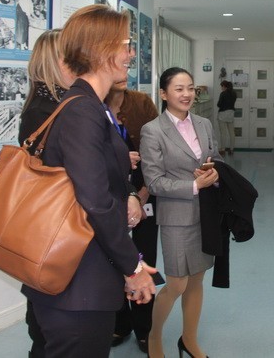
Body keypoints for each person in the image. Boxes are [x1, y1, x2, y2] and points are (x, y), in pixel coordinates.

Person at [21, 6, 157, 358]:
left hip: (82, 278)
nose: (131, 54)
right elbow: (95, 201)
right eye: (125, 45)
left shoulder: (92, 106)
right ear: (99, 50)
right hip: (76, 283)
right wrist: (133, 266)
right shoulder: (83, 109)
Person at [140, 67, 222, 358]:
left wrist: (214, 173)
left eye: (190, 88)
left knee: (197, 280)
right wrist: (194, 185)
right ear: (164, 94)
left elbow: (216, 158)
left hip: (206, 214)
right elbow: (154, 181)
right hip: (176, 217)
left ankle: (189, 340)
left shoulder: (204, 124)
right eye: (179, 89)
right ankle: (154, 337)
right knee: (176, 283)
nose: (187, 94)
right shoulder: (153, 131)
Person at [16, 29, 73, 357]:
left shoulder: (55, 104)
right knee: (49, 330)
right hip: (52, 228)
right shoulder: (46, 110)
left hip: (51, 225)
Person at [106, 84, 160, 354]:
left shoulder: (141, 103)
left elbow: (158, 149)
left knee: (144, 258)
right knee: (111, 260)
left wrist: (143, 193)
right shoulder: (93, 106)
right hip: (107, 196)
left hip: (145, 192)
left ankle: (144, 328)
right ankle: (120, 323)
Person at [216, 80, 237, 156]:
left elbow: (219, 104)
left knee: (223, 133)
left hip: (223, 114)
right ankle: (231, 149)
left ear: (224, 86)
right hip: (231, 113)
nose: (221, 88)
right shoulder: (234, 93)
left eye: (222, 86)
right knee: (232, 132)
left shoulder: (223, 94)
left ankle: (223, 150)